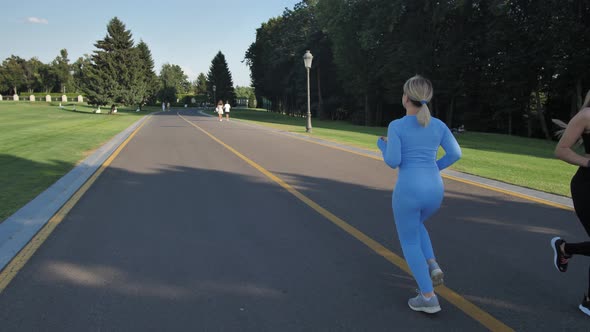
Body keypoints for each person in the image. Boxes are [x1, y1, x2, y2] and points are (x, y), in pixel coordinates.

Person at [377, 75, 461, 314]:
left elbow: (393, 161)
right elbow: (456, 154)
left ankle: (428, 297)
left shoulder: (397, 125)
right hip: (435, 190)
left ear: (405, 98)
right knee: (417, 225)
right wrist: (434, 167)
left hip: (409, 191)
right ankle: (432, 264)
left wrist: (382, 145)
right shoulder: (439, 125)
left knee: (410, 240)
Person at [551, 89, 590, 317]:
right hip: (586, 187)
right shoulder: (585, 116)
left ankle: (565, 248)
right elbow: (561, 150)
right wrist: (587, 162)